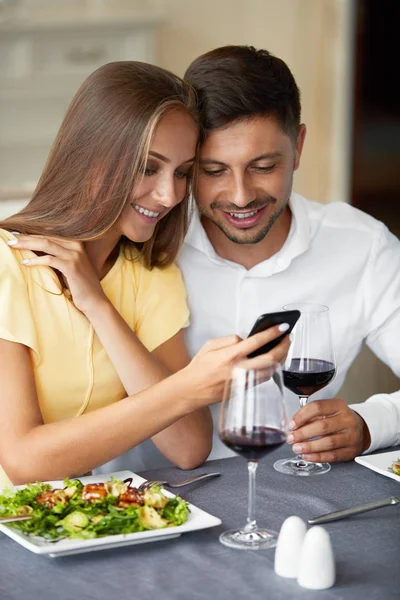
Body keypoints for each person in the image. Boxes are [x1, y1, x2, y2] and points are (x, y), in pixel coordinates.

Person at [0, 60, 290, 487]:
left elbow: (188, 448)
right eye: (148, 167)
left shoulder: (149, 274)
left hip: (72, 521)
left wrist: (98, 306)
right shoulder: (9, 264)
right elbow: (23, 461)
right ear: (91, 156)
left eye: (183, 173)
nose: (169, 194)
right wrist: (188, 387)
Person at [179, 45, 400, 463]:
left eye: (263, 166)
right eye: (213, 171)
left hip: (296, 499)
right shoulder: (146, 245)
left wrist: (374, 421)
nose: (241, 196)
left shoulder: (361, 246)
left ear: (298, 146)